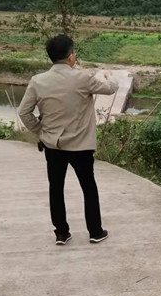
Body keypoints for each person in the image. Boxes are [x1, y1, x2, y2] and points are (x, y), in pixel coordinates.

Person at [18, 34, 119, 246]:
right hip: (81, 146)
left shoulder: (38, 81)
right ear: (71, 56)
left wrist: (40, 131)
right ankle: (95, 231)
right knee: (88, 188)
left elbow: (24, 112)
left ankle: (61, 233)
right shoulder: (83, 78)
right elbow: (110, 89)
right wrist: (108, 75)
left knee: (56, 188)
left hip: (52, 145)